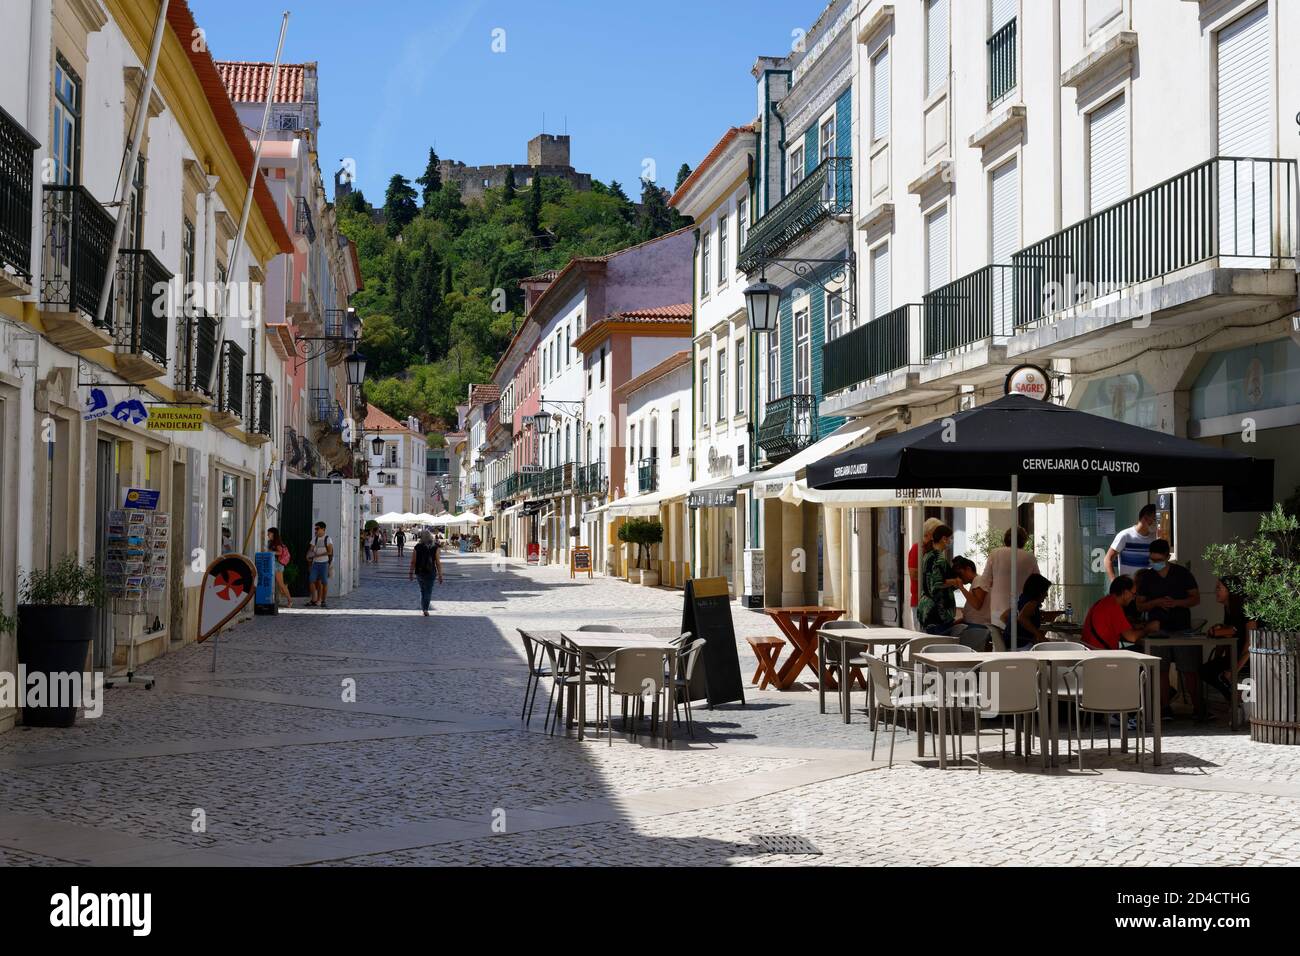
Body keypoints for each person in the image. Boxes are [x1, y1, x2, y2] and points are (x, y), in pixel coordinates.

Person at [1135, 538, 1202, 719]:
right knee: (1160, 670)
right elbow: (1140, 605)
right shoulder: (1148, 577)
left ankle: (1198, 707)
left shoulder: (1182, 574)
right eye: (1153, 560)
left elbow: (1195, 598)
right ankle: (1164, 707)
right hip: (1157, 630)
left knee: (1189, 669)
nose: (1155, 564)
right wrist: (1156, 602)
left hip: (1182, 628)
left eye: (1159, 560)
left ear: (1167, 556)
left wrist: (1176, 603)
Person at [917, 526, 989, 651]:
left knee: (931, 646)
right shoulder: (937, 558)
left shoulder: (928, 555)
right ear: (944, 539)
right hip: (937, 613)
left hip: (929, 611)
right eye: (950, 538)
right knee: (938, 649)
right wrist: (955, 582)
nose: (951, 542)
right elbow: (935, 584)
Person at [981, 525, 1041, 635]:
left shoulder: (995, 553)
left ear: (1006, 538)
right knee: (1017, 640)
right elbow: (1037, 583)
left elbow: (985, 580)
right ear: (1024, 541)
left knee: (999, 643)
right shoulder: (1030, 557)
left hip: (997, 606)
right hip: (1020, 608)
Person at [1200, 576, 1250, 704]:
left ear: (1230, 591)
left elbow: (1250, 643)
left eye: (1219, 588)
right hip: (1235, 655)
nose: (1215, 591)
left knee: (1214, 673)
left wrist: (1235, 670)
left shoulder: (1246, 609)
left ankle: (1237, 703)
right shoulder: (1229, 608)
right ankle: (1235, 702)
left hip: (1248, 658)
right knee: (1205, 670)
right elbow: (1227, 634)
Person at [1081, 575, 1158, 650]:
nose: (1133, 598)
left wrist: (1134, 626)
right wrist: (1148, 629)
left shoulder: (1103, 602)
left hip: (1090, 652)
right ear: (1125, 592)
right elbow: (1132, 637)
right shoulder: (1114, 606)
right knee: (1143, 650)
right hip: (1102, 655)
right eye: (1133, 594)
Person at [1002, 573, 1058, 649]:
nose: (1046, 595)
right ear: (1039, 591)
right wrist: (1039, 636)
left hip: (1009, 645)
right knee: (1053, 648)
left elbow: (1003, 616)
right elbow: (1022, 618)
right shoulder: (1032, 603)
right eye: (1045, 591)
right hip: (1021, 646)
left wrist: (1015, 630)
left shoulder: (1021, 601)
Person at [1105, 503, 1159, 581]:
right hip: (1128, 588)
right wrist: (1114, 582)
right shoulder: (1125, 536)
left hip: (1148, 587)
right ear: (1145, 518)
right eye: (1154, 520)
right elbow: (1108, 559)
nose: (1156, 524)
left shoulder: (1155, 538)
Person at [907, 517, 943, 631]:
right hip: (921, 601)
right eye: (937, 533)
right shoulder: (917, 548)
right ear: (929, 534)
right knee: (923, 636)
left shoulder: (936, 550)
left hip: (935, 601)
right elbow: (913, 574)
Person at [952, 556, 994, 650]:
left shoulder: (979, 580)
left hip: (978, 629)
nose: (960, 577)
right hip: (974, 627)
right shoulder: (977, 582)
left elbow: (977, 604)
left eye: (960, 573)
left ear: (968, 569)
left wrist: (961, 588)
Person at [408, 529, 443, 616]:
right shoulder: (435, 547)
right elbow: (438, 562)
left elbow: (413, 561)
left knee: (423, 590)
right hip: (431, 572)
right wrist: (440, 575)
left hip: (419, 572)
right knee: (428, 590)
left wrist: (410, 572)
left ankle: (424, 608)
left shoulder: (417, 547)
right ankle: (425, 609)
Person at [306, 521, 333, 608]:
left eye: (317, 529)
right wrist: (308, 555)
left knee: (324, 582)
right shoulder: (315, 538)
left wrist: (317, 555)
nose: (316, 530)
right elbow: (311, 549)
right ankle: (314, 599)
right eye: (315, 529)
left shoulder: (328, 539)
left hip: (324, 563)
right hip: (315, 563)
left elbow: (330, 552)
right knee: (311, 580)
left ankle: (323, 600)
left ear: (323, 529)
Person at [267, 527, 292, 609]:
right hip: (275, 564)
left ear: (274, 534)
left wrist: (271, 552)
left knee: (281, 584)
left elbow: (280, 552)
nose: (268, 535)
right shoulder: (272, 542)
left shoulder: (277, 543)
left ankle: (290, 601)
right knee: (279, 584)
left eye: (269, 533)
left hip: (277, 565)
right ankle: (277, 600)